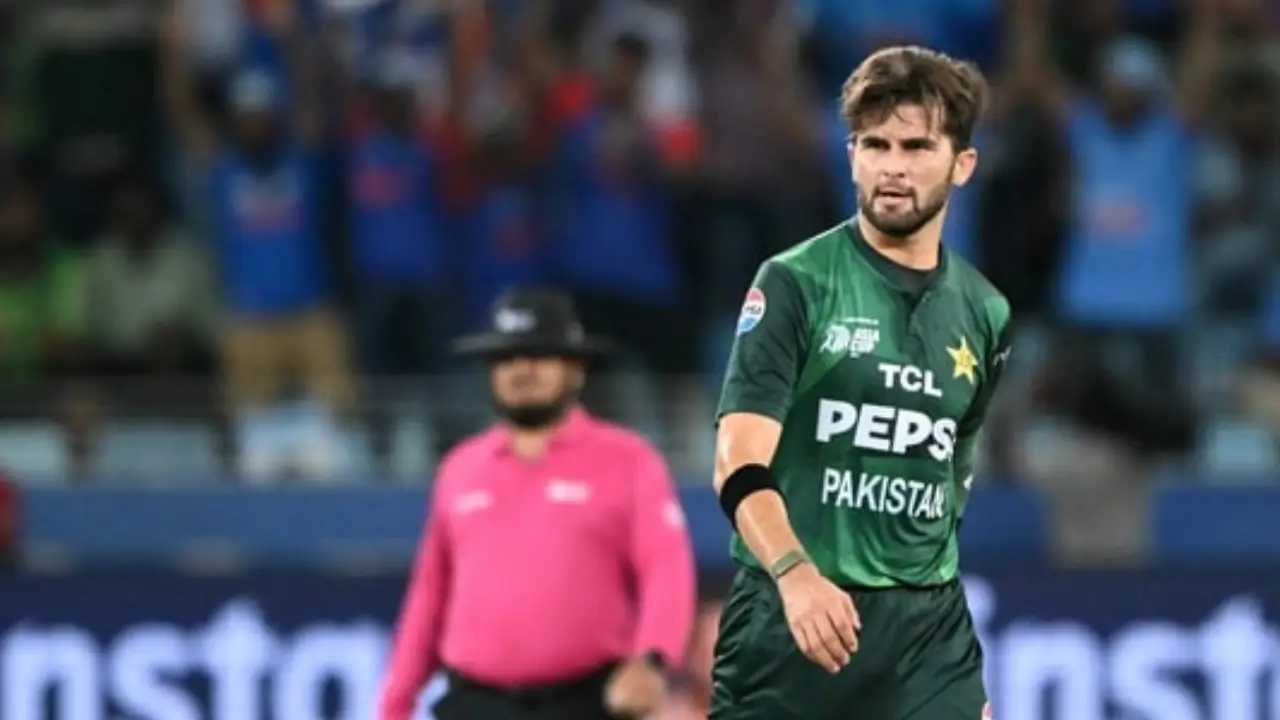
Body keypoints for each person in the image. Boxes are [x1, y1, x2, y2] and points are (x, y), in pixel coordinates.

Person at [709, 46, 1012, 720]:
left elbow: (950, 481)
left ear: (962, 164)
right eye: (875, 145)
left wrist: (951, 666)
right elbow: (736, 462)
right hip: (791, 615)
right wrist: (795, 574)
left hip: (925, 636)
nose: (892, 167)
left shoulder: (986, 312)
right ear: (851, 157)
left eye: (916, 146)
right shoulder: (796, 283)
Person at [379, 287, 697, 720]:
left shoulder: (629, 461)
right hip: (475, 706)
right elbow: (430, 594)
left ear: (576, 369)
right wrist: (395, 702)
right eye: (506, 358)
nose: (521, 369)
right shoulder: (460, 469)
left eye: (539, 355)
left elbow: (665, 568)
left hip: (584, 705)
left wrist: (652, 660)